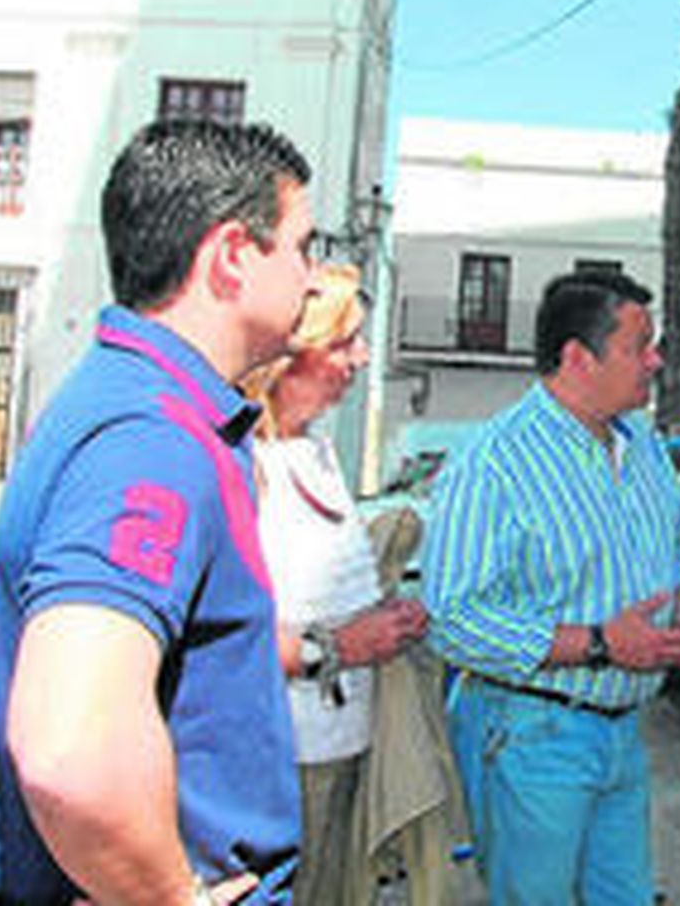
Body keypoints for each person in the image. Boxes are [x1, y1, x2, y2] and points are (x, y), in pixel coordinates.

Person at [0, 119, 315, 904]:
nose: (313, 278)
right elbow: (69, 748)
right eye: (301, 246)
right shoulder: (151, 436)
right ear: (230, 257)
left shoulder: (140, 405)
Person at [420, 270, 680, 904]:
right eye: (640, 345)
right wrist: (601, 644)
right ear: (579, 358)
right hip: (531, 733)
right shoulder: (495, 461)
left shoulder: (640, 443)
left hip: (621, 732)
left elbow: (671, 547)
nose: (657, 360)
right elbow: (451, 619)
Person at [240, 262, 433, 906]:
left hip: (344, 745)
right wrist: (344, 645)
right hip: (285, 758)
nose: (360, 357)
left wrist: (384, 617)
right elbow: (229, 633)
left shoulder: (317, 450)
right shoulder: (244, 463)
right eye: (343, 341)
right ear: (290, 355)